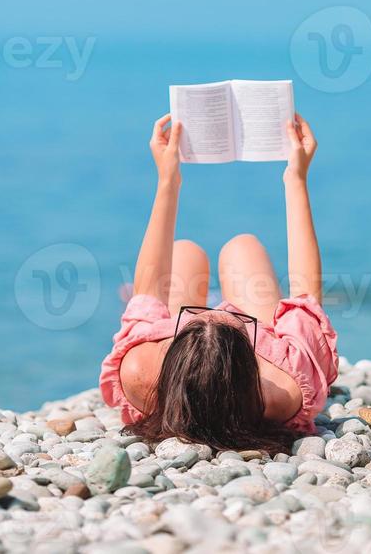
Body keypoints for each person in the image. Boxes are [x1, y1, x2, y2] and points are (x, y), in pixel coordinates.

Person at [100, 113, 338, 454]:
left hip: (202, 366)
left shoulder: (140, 371)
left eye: (196, 319)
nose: (218, 310)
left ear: (170, 362)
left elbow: (147, 289)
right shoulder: (285, 386)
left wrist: (168, 179)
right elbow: (306, 296)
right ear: (252, 369)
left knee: (184, 251)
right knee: (243, 246)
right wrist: (295, 177)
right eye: (233, 322)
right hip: (243, 367)